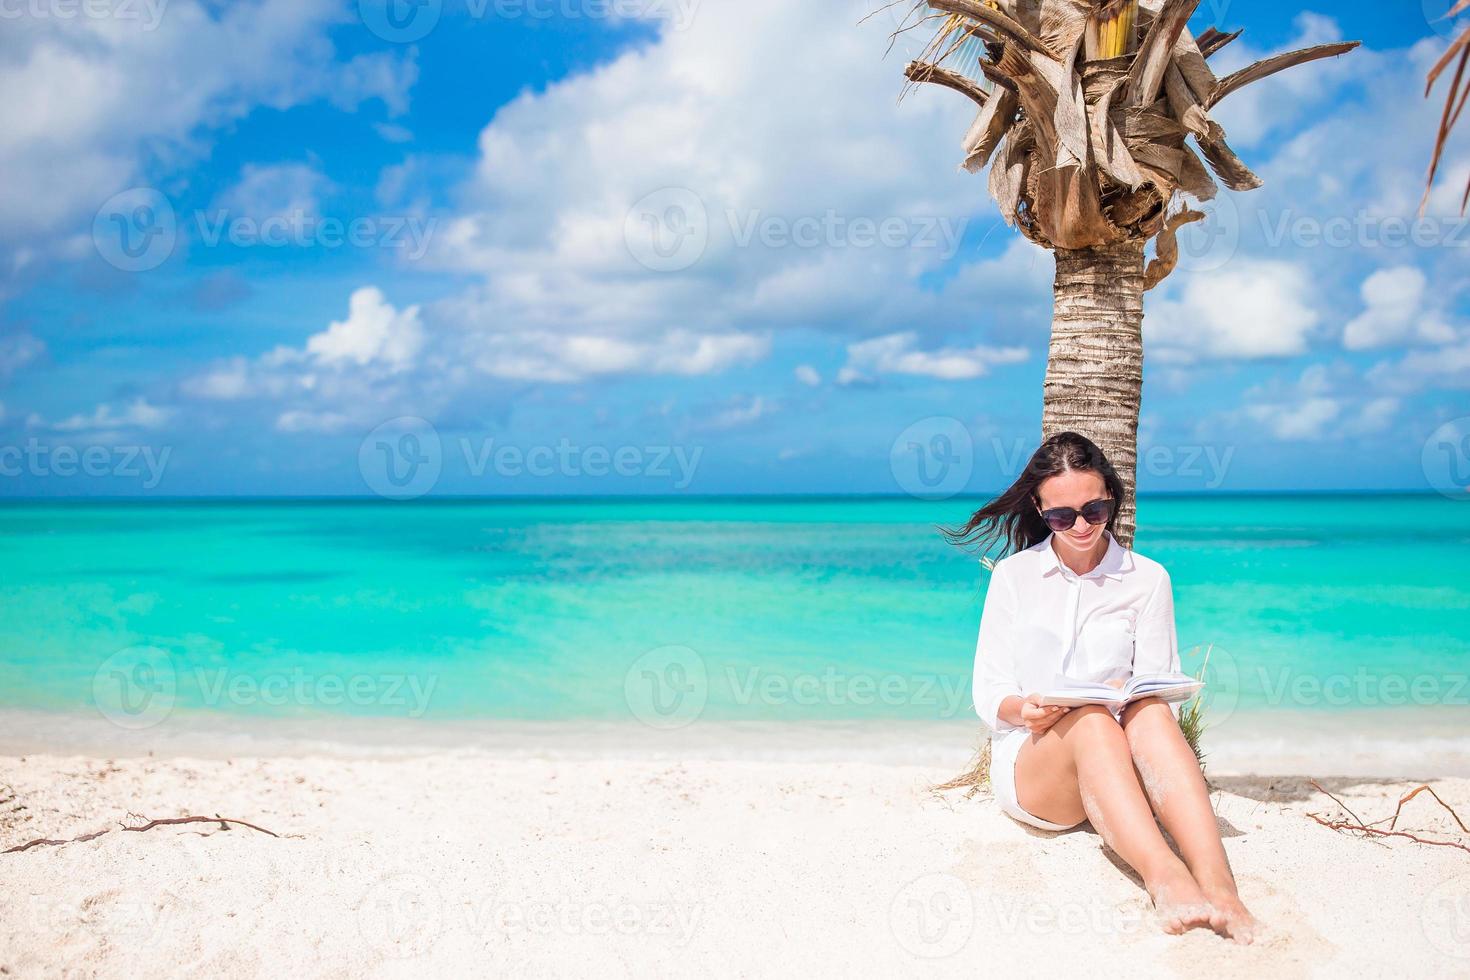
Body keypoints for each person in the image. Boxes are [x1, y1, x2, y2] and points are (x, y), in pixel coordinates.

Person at [945, 430, 1257, 943]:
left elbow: (1160, 683)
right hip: (1038, 762)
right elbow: (989, 690)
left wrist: (1133, 699)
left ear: (1112, 497)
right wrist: (1028, 710)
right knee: (1088, 720)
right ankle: (1167, 877)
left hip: (1121, 755)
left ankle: (1221, 887)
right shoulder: (1015, 577)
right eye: (1062, 517)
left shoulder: (1148, 578)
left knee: (1151, 711)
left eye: (1094, 509)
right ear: (1041, 511)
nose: (1081, 526)